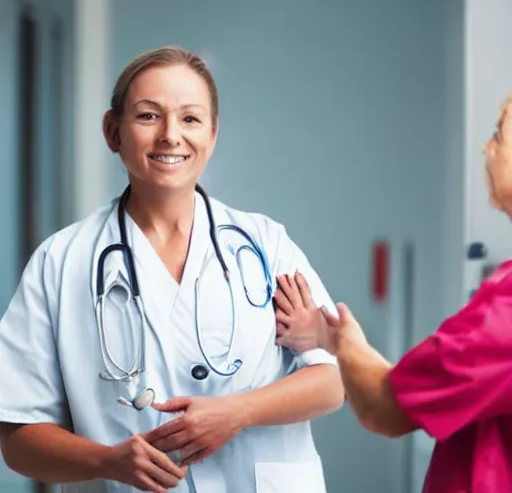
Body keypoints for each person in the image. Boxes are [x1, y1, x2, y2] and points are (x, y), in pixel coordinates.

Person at [0, 46, 344, 493]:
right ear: (113, 131)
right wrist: (109, 461)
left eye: (190, 119)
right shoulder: (62, 261)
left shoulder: (265, 244)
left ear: (213, 135)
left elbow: (333, 380)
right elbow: (18, 438)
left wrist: (238, 412)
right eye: (148, 116)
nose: (170, 136)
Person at [273, 95, 512, 493]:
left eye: (498, 135)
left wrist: (336, 339)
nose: (487, 149)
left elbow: (384, 408)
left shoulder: (504, 314)